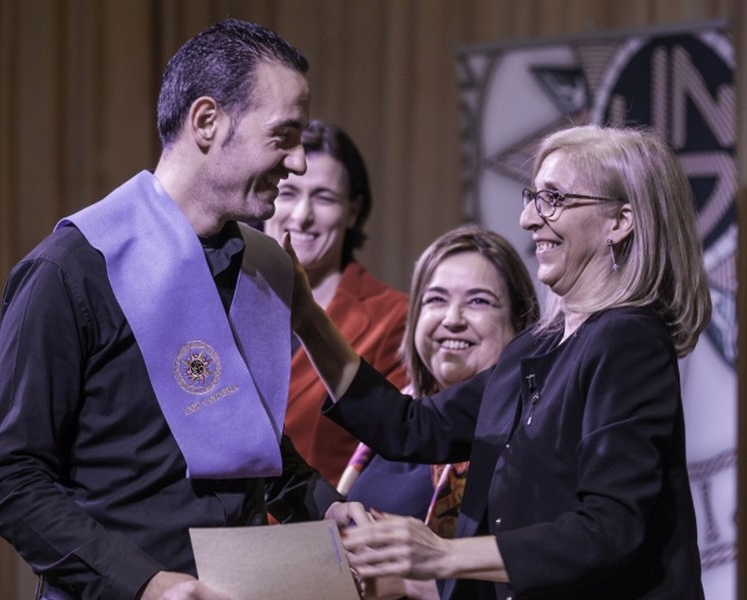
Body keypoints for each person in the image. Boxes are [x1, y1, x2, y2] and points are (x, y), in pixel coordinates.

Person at [0, 19, 365, 600]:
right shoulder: (70, 270)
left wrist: (324, 508)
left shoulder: (263, 267)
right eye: (283, 137)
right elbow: (10, 481)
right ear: (206, 121)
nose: (299, 163)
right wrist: (147, 585)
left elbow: (247, 445)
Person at [286, 124, 712, 599]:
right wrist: (306, 316)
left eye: (553, 199)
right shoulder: (534, 349)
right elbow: (410, 427)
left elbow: (609, 527)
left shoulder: (628, 340)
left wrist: (442, 554)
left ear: (620, 221)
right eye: (532, 198)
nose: (528, 219)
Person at [338, 224, 539, 600]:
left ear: (519, 324)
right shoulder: (396, 416)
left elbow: (544, 568)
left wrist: (413, 584)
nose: (452, 318)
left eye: (478, 301)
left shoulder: (530, 435)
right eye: (435, 299)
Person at [263, 120, 408, 486]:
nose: (302, 216)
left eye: (324, 197)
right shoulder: (219, 298)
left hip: (319, 518)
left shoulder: (394, 319)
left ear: (353, 212)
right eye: (288, 192)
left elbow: (391, 457)